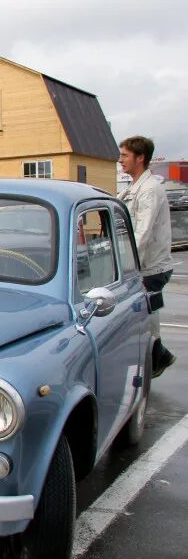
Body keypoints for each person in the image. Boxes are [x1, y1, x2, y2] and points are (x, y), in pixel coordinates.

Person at [117, 135, 176, 377]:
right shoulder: (134, 187)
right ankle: (158, 357)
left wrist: (126, 266)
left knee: (145, 312)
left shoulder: (149, 190)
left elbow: (142, 232)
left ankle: (156, 357)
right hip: (144, 265)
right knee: (149, 312)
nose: (120, 160)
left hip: (150, 266)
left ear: (140, 158)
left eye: (124, 156)